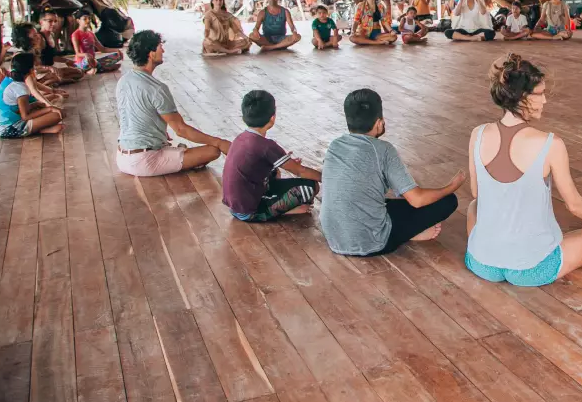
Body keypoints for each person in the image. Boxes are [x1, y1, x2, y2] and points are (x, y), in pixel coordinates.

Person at [465, 54, 582, 286]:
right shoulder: (550, 144)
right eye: (539, 94)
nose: (544, 101)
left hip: (481, 263)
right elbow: (575, 205)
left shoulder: (477, 134)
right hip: (533, 269)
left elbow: (477, 193)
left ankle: (497, 250)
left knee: (473, 206)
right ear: (522, 97)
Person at [321, 89, 464, 256]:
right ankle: (410, 234)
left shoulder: (334, 145)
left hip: (333, 237)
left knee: (383, 202)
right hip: (372, 243)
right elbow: (417, 200)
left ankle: (407, 231)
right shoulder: (383, 150)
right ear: (379, 122)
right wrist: (453, 185)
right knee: (447, 201)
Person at [115, 30, 230, 176]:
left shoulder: (123, 81)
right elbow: (181, 130)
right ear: (151, 54)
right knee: (212, 151)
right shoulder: (157, 88)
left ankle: (174, 156)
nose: (163, 50)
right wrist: (219, 142)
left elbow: (136, 115)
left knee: (177, 146)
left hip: (122, 158)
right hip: (144, 161)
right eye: (159, 47)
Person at [222, 91, 322, 222]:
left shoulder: (240, 138)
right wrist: (328, 178)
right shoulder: (266, 145)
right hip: (249, 211)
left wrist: (286, 162)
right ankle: (279, 212)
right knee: (311, 187)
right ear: (272, 118)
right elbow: (300, 171)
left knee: (275, 172)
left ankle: (275, 206)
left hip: (236, 206)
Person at [0, 53, 64, 138]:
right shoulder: (20, 87)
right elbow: (25, 116)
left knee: (47, 111)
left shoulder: (9, 79)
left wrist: (35, 104)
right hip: (9, 129)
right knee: (58, 114)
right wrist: (50, 108)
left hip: (3, 126)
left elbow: (20, 108)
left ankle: (38, 128)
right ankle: (37, 129)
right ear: (30, 70)